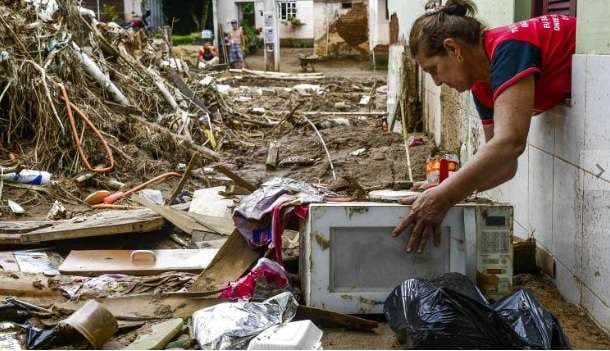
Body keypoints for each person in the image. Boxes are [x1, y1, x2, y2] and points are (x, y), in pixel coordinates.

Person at [392, 0, 575, 254]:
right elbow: (504, 165)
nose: (436, 82)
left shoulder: (510, 48)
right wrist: (448, 187)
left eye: (434, 69)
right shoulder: (481, 83)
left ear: (453, 49)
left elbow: (509, 143)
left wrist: (445, 194)